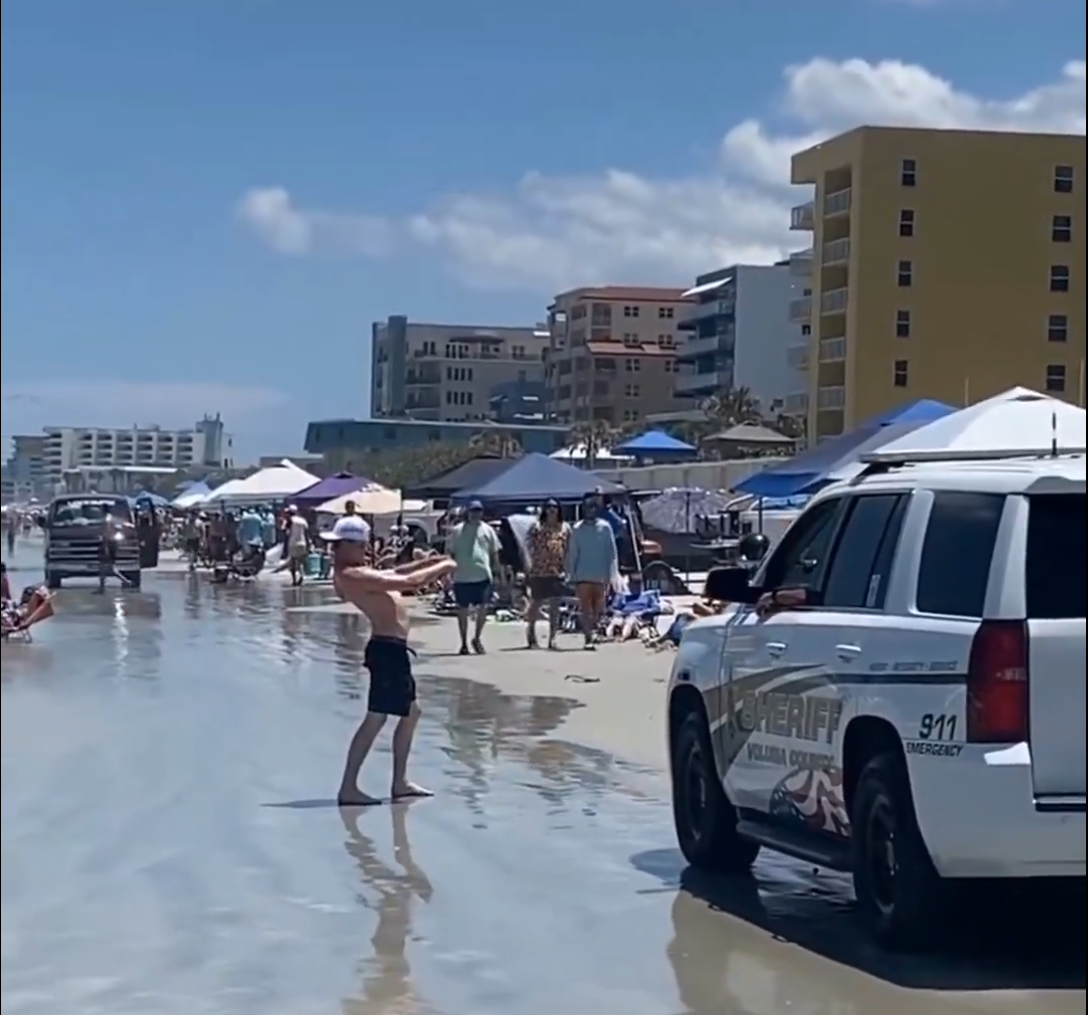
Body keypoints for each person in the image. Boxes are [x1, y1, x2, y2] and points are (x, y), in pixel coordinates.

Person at [326, 514, 457, 805]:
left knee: (411, 713)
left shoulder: (357, 571)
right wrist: (445, 566)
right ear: (350, 546)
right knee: (376, 718)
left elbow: (398, 571)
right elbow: (408, 581)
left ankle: (399, 782)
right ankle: (349, 787)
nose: (364, 551)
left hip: (392, 650)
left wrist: (430, 562)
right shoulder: (351, 574)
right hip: (387, 651)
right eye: (359, 546)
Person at [566, 491, 618, 649]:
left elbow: (612, 552)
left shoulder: (605, 527)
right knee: (585, 608)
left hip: (601, 575)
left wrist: (612, 575)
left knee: (598, 609)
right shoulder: (577, 528)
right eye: (588, 507)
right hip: (582, 575)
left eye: (593, 507)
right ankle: (588, 637)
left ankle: (593, 631)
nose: (590, 510)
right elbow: (572, 553)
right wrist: (570, 574)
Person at [448, 500, 500, 655]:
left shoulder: (488, 530)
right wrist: (448, 574)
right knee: (463, 610)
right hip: (462, 575)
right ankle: (463, 643)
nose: (475, 514)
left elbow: (494, 552)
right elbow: (450, 553)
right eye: (472, 511)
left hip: (483, 574)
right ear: (467, 512)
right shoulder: (457, 531)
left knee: (483, 608)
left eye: (478, 511)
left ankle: (477, 638)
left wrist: (497, 573)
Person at [525, 499, 570, 649]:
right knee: (536, 603)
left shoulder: (564, 528)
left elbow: (568, 548)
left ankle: (553, 638)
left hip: (557, 571)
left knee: (554, 606)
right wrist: (529, 564)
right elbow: (527, 546)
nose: (552, 510)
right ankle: (531, 633)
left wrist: (568, 567)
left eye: (554, 507)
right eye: (549, 507)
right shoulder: (536, 527)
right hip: (539, 570)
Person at [285, 506, 311, 586]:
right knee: (300, 561)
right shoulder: (303, 521)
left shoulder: (290, 520)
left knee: (292, 562)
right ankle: (301, 575)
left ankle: (294, 579)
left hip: (293, 543)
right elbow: (307, 533)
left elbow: (286, 532)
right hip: (302, 543)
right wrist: (308, 544)